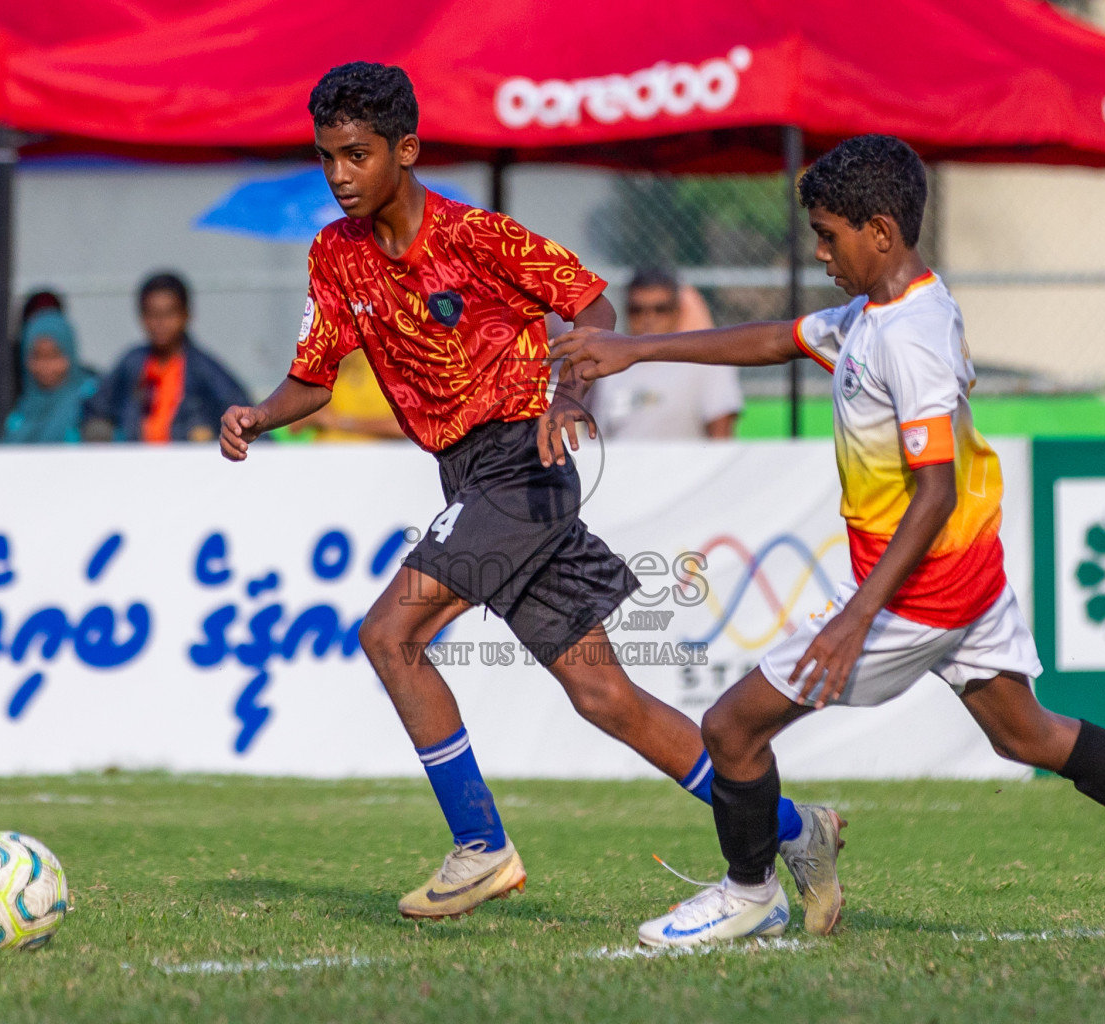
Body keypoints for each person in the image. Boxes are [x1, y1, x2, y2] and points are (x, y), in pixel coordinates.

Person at [551, 134, 1105, 947]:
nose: (822, 253)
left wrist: (856, 617)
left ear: (880, 232)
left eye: (829, 236)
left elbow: (932, 492)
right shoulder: (884, 312)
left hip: (917, 594)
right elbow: (775, 339)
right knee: (1029, 734)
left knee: (731, 728)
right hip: (963, 577)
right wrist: (636, 349)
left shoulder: (910, 337)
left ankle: (749, 891)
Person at [219, 61, 836, 924]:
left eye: (356, 156)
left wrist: (571, 394)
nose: (340, 176)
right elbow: (313, 379)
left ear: (407, 149)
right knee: (604, 697)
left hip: (524, 463)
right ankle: (794, 828)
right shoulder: (336, 255)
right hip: (472, 478)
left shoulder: (479, 237)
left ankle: (481, 846)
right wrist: (259, 413)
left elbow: (594, 311)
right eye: (327, 158)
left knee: (389, 634)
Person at [84, 272, 250, 443]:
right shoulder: (132, 363)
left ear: (186, 315)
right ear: (141, 317)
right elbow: (97, 409)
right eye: (152, 314)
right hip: (136, 463)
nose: (160, 323)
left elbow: (243, 417)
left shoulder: (204, 370)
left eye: (169, 313)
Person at [587, 269, 741, 440]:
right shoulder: (609, 368)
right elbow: (598, 438)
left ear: (678, 311)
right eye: (637, 310)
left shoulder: (706, 362)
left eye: (660, 309)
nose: (648, 318)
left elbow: (721, 436)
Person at [0, 310, 99, 444]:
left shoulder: (91, 401)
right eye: (37, 356)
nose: (45, 366)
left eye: (54, 356)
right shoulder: (22, 410)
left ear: (71, 354)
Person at [290, 349, 407, 440]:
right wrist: (312, 413)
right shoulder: (323, 364)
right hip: (323, 456)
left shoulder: (392, 363)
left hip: (374, 459)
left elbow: (405, 428)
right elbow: (292, 427)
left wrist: (344, 423)